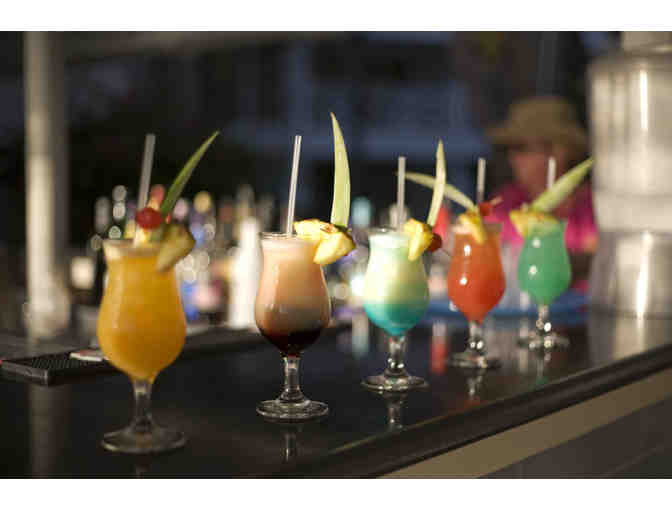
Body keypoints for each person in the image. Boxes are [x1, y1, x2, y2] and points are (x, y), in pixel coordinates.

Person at [485, 96, 597, 287]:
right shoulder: (504, 202)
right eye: (510, 148)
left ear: (559, 151)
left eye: (521, 148)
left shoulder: (590, 206)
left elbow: (600, 258)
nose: (512, 157)